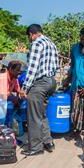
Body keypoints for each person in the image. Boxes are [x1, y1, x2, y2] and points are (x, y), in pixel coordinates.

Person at [19, 24, 59, 156]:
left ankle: (36, 147)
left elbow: (32, 68)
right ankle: (48, 142)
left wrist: (24, 88)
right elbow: (56, 66)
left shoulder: (36, 43)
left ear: (31, 34)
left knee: (34, 116)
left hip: (40, 83)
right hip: (51, 82)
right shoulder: (51, 43)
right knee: (42, 114)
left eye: (29, 37)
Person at [0, 61, 23, 127]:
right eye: (17, 70)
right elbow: (3, 96)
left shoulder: (14, 77)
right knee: (8, 106)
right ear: (10, 69)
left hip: (4, 99)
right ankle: (3, 127)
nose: (19, 72)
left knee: (23, 102)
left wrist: (23, 94)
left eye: (20, 70)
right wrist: (15, 99)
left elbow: (18, 89)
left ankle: (10, 125)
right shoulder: (2, 78)